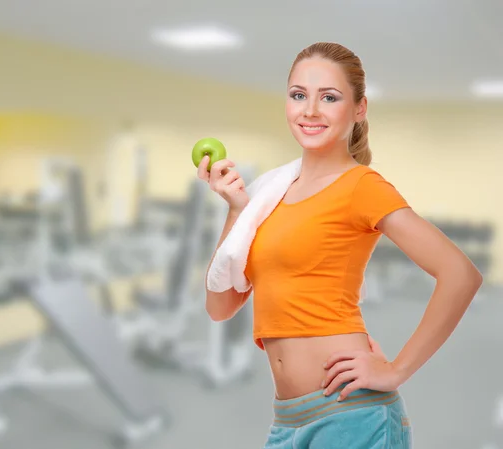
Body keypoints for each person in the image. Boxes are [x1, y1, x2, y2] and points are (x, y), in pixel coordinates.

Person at [196, 42, 483, 448]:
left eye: (328, 97)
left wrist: (396, 370)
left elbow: (460, 274)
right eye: (299, 95)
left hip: (352, 413)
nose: (309, 110)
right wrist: (236, 208)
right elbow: (219, 306)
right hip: (288, 421)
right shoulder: (270, 196)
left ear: (359, 108)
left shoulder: (361, 186)